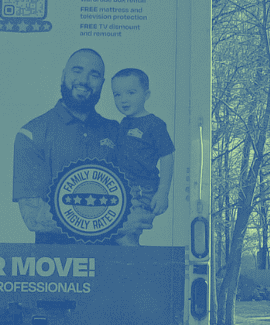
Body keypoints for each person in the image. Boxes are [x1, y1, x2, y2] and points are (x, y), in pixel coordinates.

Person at [12, 48, 121, 244]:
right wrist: (116, 221)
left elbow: (140, 203)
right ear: (64, 75)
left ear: (102, 84)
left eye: (94, 75)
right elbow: (34, 219)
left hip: (111, 264)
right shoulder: (31, 133)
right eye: (77, 71)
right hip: (57, 266)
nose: (84, 80)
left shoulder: (116, 132)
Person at [109, 68, 174, 246]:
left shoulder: (155, 124)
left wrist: (163, 192)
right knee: (115, 233)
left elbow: (167, 156)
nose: (123, 99)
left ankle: (137, 270)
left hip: (142, 190)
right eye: (117, 94)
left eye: (131, 93)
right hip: (122, 189)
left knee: (125, 235)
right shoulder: (123, 123)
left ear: (146, 95)